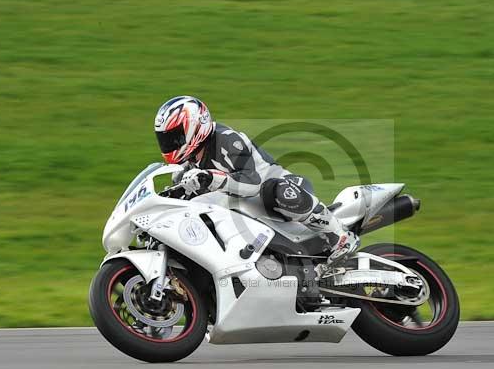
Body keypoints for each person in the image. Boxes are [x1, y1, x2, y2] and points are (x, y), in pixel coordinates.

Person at [153, 95, 358, 272]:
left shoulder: (227, 140)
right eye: (166, 139)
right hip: (249, 211)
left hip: (282, 188)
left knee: (275, 190)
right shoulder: (188, 168)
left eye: (175, 137)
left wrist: (211, 178)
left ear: (195, 127)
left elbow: (252, 184)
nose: (171, 145)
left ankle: (340, 236)